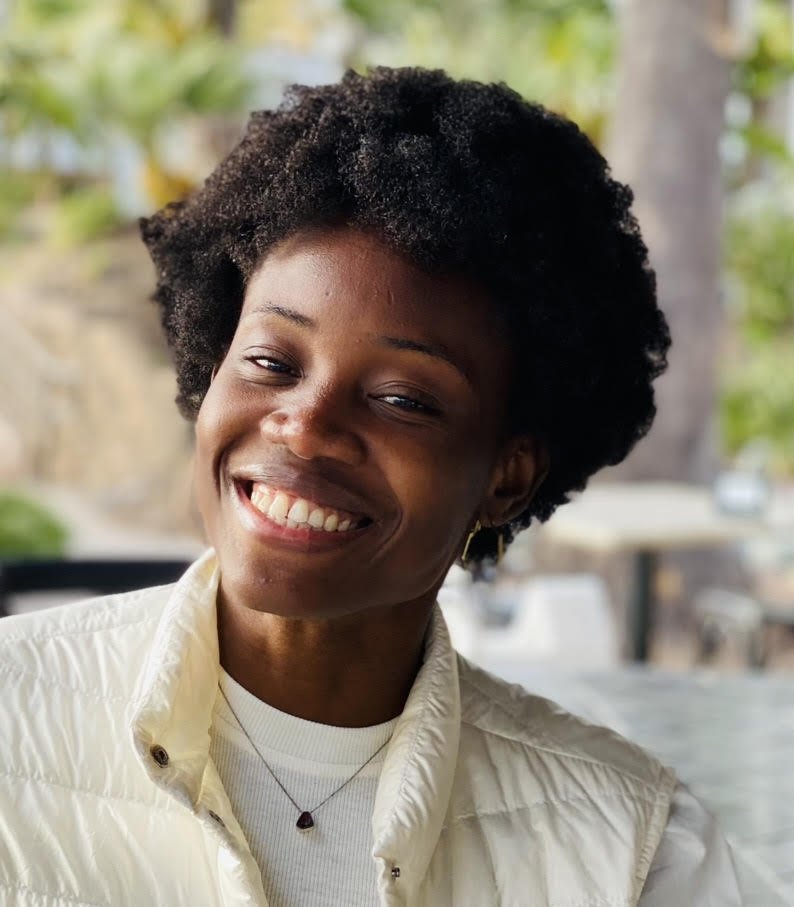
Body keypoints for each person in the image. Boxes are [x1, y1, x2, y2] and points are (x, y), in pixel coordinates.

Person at [0, 67, 742, 906]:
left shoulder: (631, 850)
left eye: (402, 399)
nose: (304, 425)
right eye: (272, 362)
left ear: (508, 474)